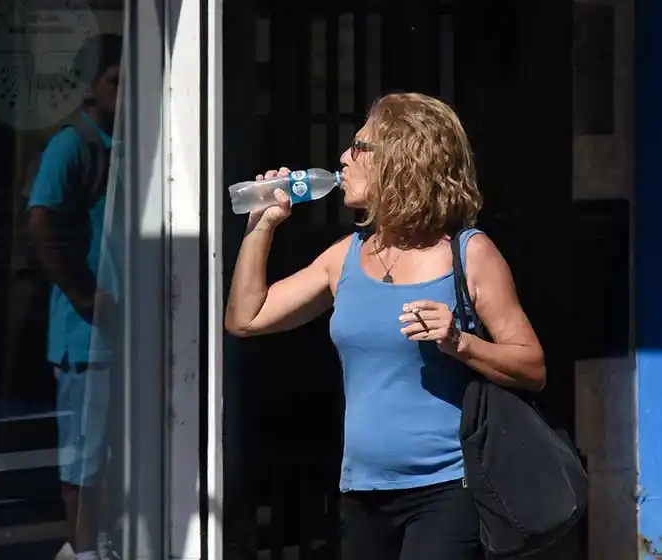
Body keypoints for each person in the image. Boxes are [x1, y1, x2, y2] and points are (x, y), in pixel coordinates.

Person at [224, 92, 546, 560]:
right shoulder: (346, 256)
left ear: (402, 160)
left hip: (446, 491)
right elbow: (246, 319)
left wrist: (461, 343)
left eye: (359, 147)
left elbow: (532, 365)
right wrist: (262, 226)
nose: (343, 158)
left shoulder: (470, 254)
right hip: (362, 491)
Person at [27, 33, 123, 560]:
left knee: (115, 459)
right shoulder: (73, 145)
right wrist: (85, 296)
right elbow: (40, 224)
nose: (124, 93)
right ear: (90, 87)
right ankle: (83, 551)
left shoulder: (133, 145)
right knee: (83, 463)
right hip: (87, 340)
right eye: (114, 81)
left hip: (130, 333)